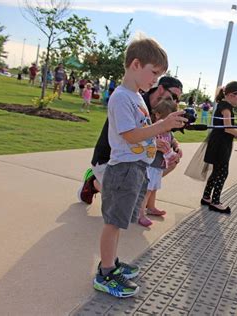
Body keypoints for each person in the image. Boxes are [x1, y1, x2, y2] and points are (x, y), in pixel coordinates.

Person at [92, 36, 187, 298]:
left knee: (121, 222)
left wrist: (158, 143)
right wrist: (163, 125)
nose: (156, 81)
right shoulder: (122, 97)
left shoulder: (136, 97)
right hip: (123, 169)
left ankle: (111, 263)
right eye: (154, 73)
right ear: (135, 64)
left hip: (136, 168)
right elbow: (130, 135)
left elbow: (142, 134)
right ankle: (105, 273)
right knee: (113, 223)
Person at [77, 76, 184, 205]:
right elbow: (129, 137)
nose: (175, 102)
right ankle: (93, 183)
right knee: (123, 203)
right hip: (111, 158)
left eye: (178, 99)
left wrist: (175, 148)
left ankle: (135, 192)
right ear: (161, 89)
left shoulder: (164, 109)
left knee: (167, 165)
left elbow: (168, 135)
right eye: (174, 96)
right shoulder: (134, 102)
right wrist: (155, 142)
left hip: (137, 160)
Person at [201, 81, 237, 213]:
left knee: (217, 171)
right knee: (223, 173)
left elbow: (226, 128)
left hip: (219, 141)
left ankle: (206, 197)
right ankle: (215, 202)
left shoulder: (224, 106)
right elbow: (228, 128)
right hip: (221, 144)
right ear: (230, 95)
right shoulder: (226, 108)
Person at [138, 98, 179, 227]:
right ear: (157, 115)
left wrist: (177, 148)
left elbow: (173, 141)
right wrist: (155, 144)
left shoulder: (168, 131)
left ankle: (151, 207)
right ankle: (140, 214)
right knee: (147, 190)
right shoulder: (153, 129)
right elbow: (144, 142)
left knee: (154, 188)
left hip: (159, 165)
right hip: (150, 164)